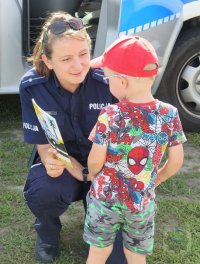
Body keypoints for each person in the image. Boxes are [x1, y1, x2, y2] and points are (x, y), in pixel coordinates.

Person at [19, 11, 126, 263]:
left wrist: (93, 176)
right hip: (64, 162)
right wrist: (52, 162)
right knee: (43, 189)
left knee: (116, 258)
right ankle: (47, 233)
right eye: (66, 58)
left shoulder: (108, 82)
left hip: (103, 167)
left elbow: (123, 143)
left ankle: (98, 218)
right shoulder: (32, 86)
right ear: (48, 60)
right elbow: (44, 146)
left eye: (83, 55)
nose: (78, 66)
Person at [83, 35, 187, 264]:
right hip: (142, 201)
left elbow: (95, 160)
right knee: (136, 255)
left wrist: (91, 174)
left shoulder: (109, 115)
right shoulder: (169, 114)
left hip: (105, 200)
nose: (107, 82)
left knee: (98, 253)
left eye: (107, 77)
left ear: (122, 81)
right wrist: (156, 180)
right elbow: (177, 161)